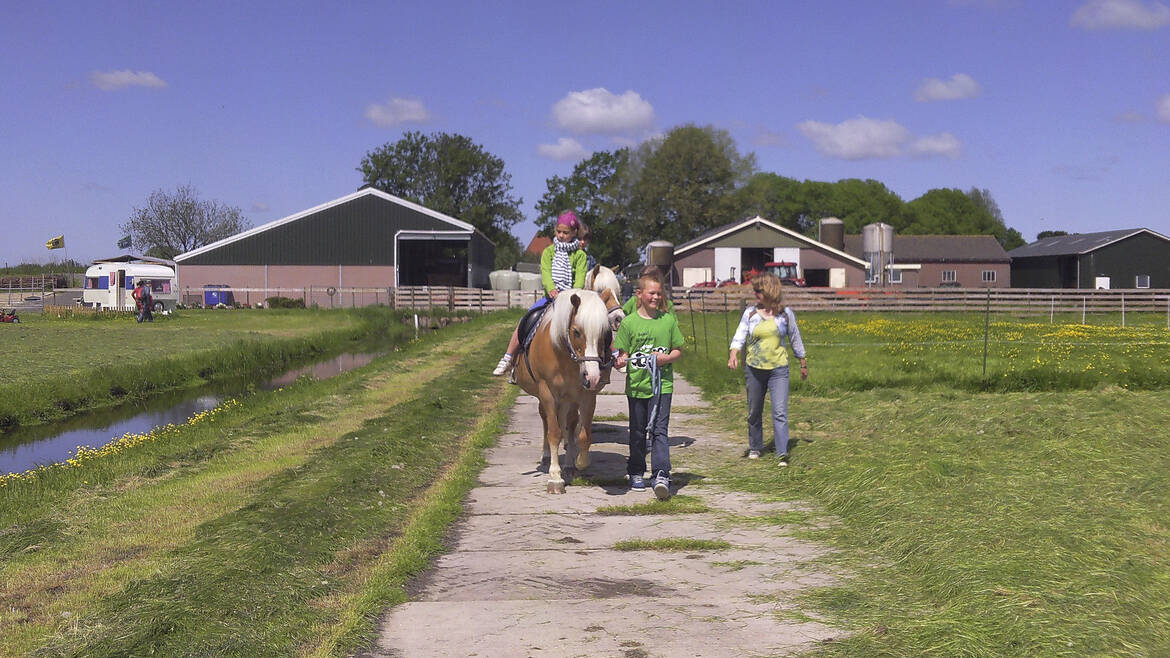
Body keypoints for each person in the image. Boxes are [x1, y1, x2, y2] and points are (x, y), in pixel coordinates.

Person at [614, 268, 684, 499]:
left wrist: (666, 358)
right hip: (637, 386)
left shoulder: (668, 322)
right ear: (639, 294)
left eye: (659, 294)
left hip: (661, 387)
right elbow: (621, 354)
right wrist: (620, 360)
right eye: (651, 293)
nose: (655, 297)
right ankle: (636, 470)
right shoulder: (629, 324)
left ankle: (661, 474)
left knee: (659, 431)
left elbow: (677, 350)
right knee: (636, 431)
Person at [492, 210, 587, 376]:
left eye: (566, 232)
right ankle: (508, 357)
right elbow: (546, 273)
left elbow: (579, 278)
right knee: (526, 320)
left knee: (593, 322)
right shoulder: (549, 252)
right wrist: (551, 290)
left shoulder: (580, 255)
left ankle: (611, 355)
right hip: (550, 297)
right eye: (559, 232)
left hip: (572, 298)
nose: (562, 235)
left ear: (574, 233)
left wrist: (572, 295)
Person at [727, 272, 807, 465]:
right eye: (755, 291)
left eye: (759, 291)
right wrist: (734, 353)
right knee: (754, 410)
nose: (755, 294)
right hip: (754, 369)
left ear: (770, 291)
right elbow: (740, 334)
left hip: (779, 369)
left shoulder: (785, 315)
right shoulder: (751, 314)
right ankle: (755, 446)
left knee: (780, 411)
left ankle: (782, 453)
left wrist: (802, 363)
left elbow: (795, 338)